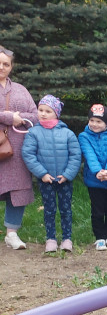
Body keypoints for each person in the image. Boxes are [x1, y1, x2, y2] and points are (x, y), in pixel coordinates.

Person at [22, 95, 81, 253]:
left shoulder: (67, 133)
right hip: (45, 179)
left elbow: (75, 155)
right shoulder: (33, 133)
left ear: (56, 113)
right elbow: (28, 155)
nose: (43, 113)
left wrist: (67, 174)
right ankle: (51, 239)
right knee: (49, 209)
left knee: (66, 209)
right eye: (41, 110)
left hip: (64, 180)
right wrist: (42, 174)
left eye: (48, 111)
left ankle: (67, 239)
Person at [0, 44, 39, 250]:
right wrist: (8, 117)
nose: (2, 67)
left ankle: (12, 234)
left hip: (16, 151)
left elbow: (36, 115)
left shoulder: (21, 90)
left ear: (11, 67)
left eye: (6, 64)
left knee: (17, 189)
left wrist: (20, 117)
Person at [78, 103, 107, 250]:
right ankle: (99, 238)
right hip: (94, 180)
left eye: (99, 121)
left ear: (106, 123)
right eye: (91, 120)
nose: (94, 124)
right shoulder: (84, 136)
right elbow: (89, 154)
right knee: (97, 211)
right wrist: (97, 171)